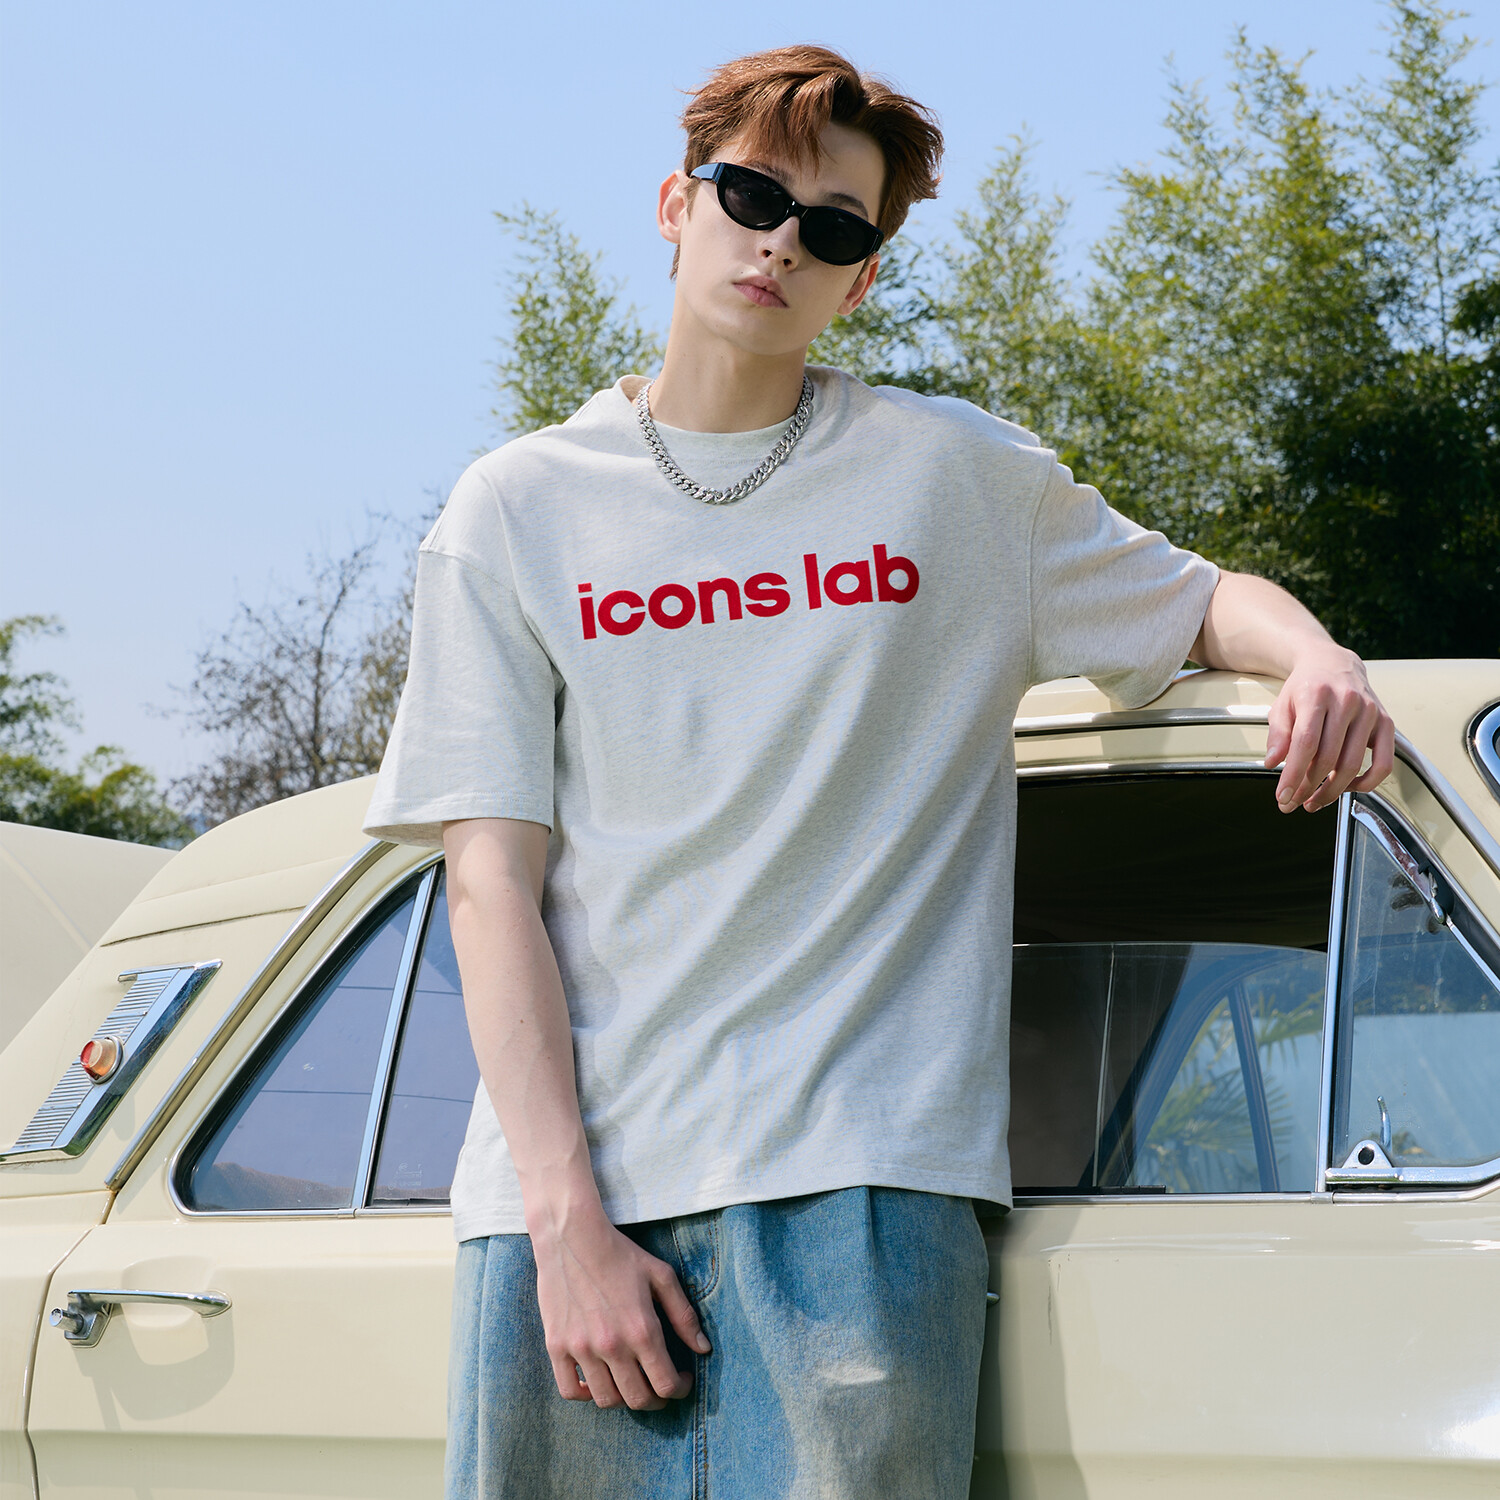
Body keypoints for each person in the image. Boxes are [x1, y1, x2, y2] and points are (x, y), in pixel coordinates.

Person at [363, 43, 1393, 1500]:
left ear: (861, 280)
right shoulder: (514, 509)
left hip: (866, 1191)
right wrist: (565, 1223)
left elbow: (1203, 600)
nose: (781, 242)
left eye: (834, 227)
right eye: (751, 196)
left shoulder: (955, 479)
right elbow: (489, 886)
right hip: (572, 1213)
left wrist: (1323, 660)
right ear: (676, 203)